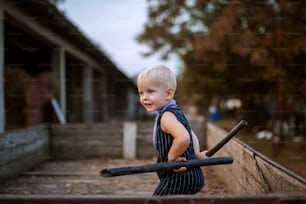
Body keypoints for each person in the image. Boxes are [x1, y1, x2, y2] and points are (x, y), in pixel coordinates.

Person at [137, 65, 207, 196]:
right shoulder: (176, 112)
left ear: (168, 94)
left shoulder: (167, 117)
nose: (144, 97)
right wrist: (196, 153)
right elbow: (191, 134)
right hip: (191, 175)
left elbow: (184, 138)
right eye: (141, 92)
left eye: (150, 91)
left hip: (178, 178)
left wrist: (171, 158)